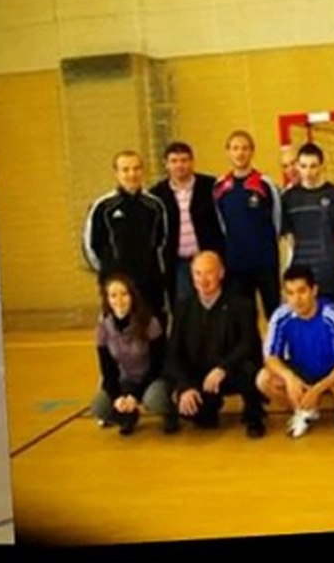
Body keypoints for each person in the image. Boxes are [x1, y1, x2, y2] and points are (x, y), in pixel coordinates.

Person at [164, 251, 266, 437]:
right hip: (201, 376)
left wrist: (223, 367)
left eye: (209, 273)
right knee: (199, 417)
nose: (203, 280)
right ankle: (209, 406)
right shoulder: (183, 307)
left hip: (232, 371)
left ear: (221, 273)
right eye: (197, 273)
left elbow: (248, 344)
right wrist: (185, 386)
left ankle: (253, 414)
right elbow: (174, 352)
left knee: (250, 370)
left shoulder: (241, 304)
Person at [257, 266, 334, 438]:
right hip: (302, 373)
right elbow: (270, 357)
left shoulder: (333, 315)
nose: (296, 299)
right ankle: (304, 411)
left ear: (314, 290)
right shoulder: (281, 316)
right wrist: (290, 378)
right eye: (290, 293)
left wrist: (317, 390)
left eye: (302, 291)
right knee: (264, 379)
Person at [83, 150, 168, 321]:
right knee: (118, 335)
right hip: (116, 284)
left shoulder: (155, 206)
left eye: (136, 169)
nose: (132, 174)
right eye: (126, 169)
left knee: (154, 333)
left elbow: (162, 241)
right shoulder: (103, 207)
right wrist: (110, 273)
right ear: (116, 172)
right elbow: (91, 247)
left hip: (149, 282)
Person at [91, 273, 175, 435]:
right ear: (107, 300)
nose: (119, 300)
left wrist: (135, 396)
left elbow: (158, 365)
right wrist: (117, 398)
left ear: (132, 296)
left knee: (154, 400)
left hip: (152, 379)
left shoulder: (150, 323)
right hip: (126, 380)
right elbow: (108, 371)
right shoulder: (103, 329)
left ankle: (170, 413)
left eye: (124, 294)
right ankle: (127, 417)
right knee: (99, 407)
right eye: (113, 296)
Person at [213, 130, 282, 322]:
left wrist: (268, 248)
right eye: (235, 148)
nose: (240, 153)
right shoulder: (220, 187)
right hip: (236, 263)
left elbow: (277, 221)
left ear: (252, 152)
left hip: (265, 261)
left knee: (273, 311)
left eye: (244, 148)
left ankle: (277, 351)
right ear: (228, 152)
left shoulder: (265, 184)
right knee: (243, 316)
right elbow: (221, 224)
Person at [149, 141, 225, 314]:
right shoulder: (157, 194)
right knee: (184, 308)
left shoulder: (211, 186)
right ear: (166, 164)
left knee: (214, 306)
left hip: (208, 258)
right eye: (174, 161)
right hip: (179, 262)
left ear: (192, 162)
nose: (179, 165)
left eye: (184, 160)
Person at [280, 143, 334, 315]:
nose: (308, 171)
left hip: (331, 274)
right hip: (302, 275)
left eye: (313, 166)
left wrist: (330, 256)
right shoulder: (289, 198)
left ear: (322, 165)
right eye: (303, 166)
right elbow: (290, 237)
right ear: (298, 166)